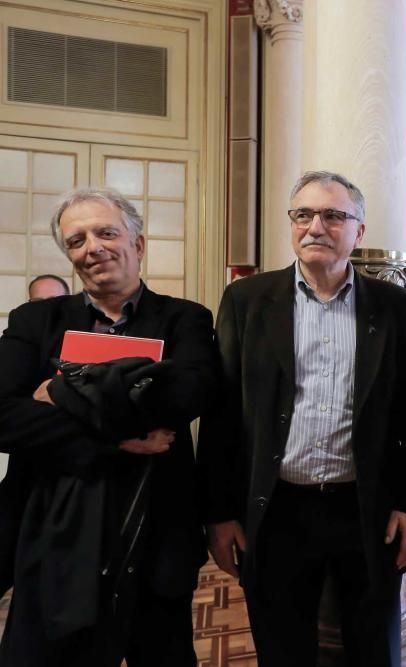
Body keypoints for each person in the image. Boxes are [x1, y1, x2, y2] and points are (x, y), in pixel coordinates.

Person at [198, 171, 406, 667]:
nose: (315, 227)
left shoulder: (394, 307)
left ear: (358, 232)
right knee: (283, 649)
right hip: (277, 509)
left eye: (333, 215)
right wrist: (219, 512)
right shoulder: (247, 301)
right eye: (302, 214)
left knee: (374, 648)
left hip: (365, 509)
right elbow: (222, 416)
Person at [0, 187, 219, 666]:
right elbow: (3, 417)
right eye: (76, 241)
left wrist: (57, 391)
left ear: (137, 245)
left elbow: (186, 395)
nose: (91, 247)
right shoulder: (36, 320)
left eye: (105, 232)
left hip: (156, 533)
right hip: (56, 542)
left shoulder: (185, 319)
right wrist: (118, 436)